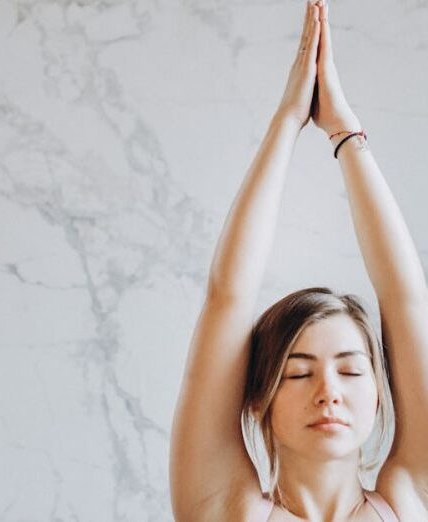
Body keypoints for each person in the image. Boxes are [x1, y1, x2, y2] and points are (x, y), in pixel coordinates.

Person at [169, 0, 428, 520]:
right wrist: (287, 120)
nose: (328, 392)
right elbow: (228, 297)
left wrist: (346, 132)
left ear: (380, 394)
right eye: (297, 373)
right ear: (257, 397)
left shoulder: (410, 504)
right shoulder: (224, 508)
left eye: (352, 372)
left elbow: (406, 299)